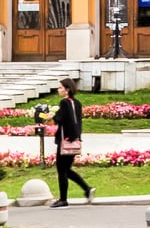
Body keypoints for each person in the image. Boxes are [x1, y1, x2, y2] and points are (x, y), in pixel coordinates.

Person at [49, 77, 93, 207]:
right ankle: (87, 189)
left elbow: (60, 119)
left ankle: (63, 199)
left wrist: (52, 116)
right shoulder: (77, 103)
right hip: (75, 140)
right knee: (66, 170)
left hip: (65, 141)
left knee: (61, 170)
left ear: (67, 89)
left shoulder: (64, 103)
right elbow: (76, 121)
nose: (58, 90)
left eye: (60, 88)